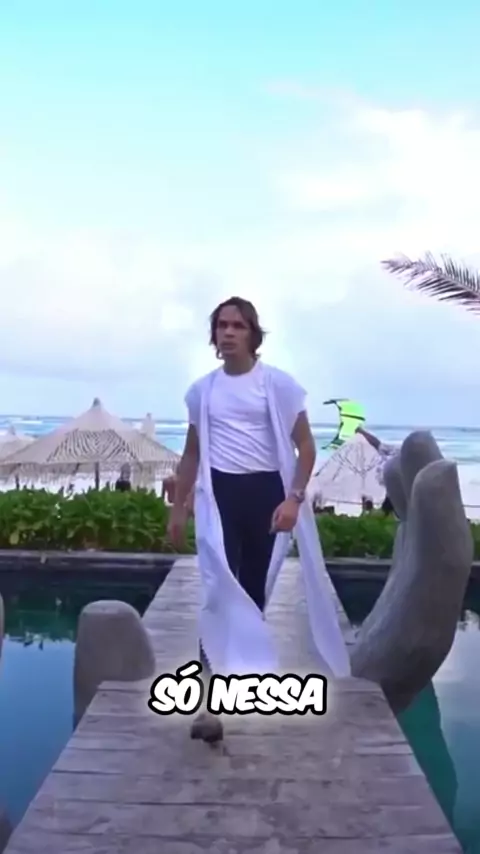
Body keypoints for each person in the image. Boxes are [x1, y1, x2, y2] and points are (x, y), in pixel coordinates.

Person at [168, 296, 350, 742]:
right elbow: (192, 454)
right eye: (222, 326)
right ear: (214, 335)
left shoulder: (278, 385)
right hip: (220, 498)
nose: (229, 333)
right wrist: (178, 508)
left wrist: (294, 499)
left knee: (251, 594)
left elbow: (305, 447)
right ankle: (208, 706)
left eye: (238, 326)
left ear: (253, 334)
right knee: (218, 593)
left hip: (267, 497)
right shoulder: (202, 391)